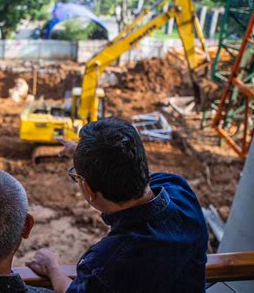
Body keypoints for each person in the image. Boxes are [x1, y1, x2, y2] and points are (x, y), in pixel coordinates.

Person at [27, 118, 208, 293]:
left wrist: (53, 268)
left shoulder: (109, 263)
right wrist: (84, 155)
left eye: (77, 177)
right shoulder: (179, 190)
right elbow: (127, 167)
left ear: (88, 189)